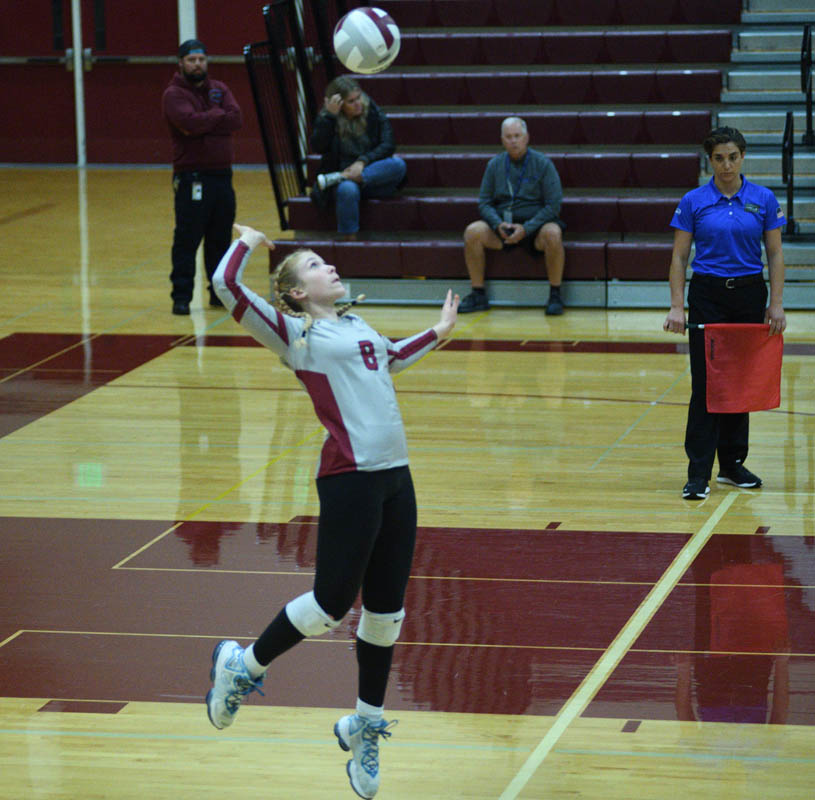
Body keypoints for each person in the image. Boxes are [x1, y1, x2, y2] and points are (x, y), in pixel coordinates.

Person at [206, 223, 459, 799]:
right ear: (296, 293)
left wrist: (438, 333)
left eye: (326, 262)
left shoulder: (354, 324)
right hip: (350, 479)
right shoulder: (297, 336)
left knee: (387, 615)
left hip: (397, 477)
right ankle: (243, 666)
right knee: (330, 605)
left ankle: (364, 727)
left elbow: (389, 358)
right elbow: (226, 285)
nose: (330, 268)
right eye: (316, 266)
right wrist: (247, 240)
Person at [663, 126, 786, 500]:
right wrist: (676, 305)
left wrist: (776, 303)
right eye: (719, 158)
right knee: (706, 386)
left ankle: (732, 466)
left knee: (740, 385)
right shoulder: (694, 201)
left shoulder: (763, 199)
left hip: (749, 295)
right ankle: (698, 473)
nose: (727, 164)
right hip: (708, 296)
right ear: (710, 160)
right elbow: (680, 257)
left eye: (733, 156)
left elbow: (776, 255)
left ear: (743, 157)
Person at [162, 39, 242, 315]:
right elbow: (188, 125)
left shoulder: (220, 89)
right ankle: (181, 296)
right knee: (187, 239)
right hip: (192, 178)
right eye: (192, 60)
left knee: (220, 239)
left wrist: (206, 119)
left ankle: (219, 295)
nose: (197, 64)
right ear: (181, 63)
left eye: (201, 59)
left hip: (222, 177)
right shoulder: (173, 94)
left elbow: (236, 119)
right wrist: (216, 117)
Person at [459, 116, 566, 316]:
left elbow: (553, 205)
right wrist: (497, 223)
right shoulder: (494, 165)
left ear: (527, 138)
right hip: (503, 227)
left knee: (553, 232)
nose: (513, 141)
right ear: (502, 140)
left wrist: (527, 228)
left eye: (517, 136)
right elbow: (484, 202)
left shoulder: (543, 164)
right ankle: (478, 294)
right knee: (473, 232)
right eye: (509, 137)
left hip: (535, 229)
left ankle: (555, 294)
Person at [310, 76, 406, 240]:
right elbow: (318, 147)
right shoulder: (329, 119)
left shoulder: (373, 111)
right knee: (347, 190)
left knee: (398, 165)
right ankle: (350, 242)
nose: (358, 103)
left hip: (372, 174)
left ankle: (341, 177)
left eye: (359, 97)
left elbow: (388, 144)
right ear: (339, 105)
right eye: (351, 101)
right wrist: (330, 118)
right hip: (345, 181)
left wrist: (362, 162)